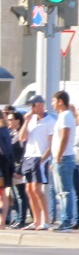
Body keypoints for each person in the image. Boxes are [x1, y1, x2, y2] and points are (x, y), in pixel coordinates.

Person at [20, 95, 55, 230]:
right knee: (29, 189)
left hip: (40, 157)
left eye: (33, 105)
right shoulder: (31, 119)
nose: (31, 108)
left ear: (40, 105)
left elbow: (52, 144)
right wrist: (26, 121)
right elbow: (22, 138)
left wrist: (43, 159)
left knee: (37, 189)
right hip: (28, 156)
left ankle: (46, 219)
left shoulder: (50, 121)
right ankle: (36, 220)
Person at [51, 91, 77, 231]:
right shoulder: (62, 116)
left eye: (54, 100)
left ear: (60, 101)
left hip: (64, 157)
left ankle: (66, 221)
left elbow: (64, 137)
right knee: (60, 192)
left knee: (65, 191)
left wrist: (59, 155)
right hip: (59, 157)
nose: (52, 103)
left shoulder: (66, 115)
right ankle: (64, 219)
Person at [4, 108, 29, 227]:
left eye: (11, 119)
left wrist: (20, 170)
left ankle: (21, 220)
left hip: (19, 168)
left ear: (18, 120)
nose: (8, 121)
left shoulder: (21, 133)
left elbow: (24, 152)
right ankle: (17, 218)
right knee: (14, 196)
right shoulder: (11, 133)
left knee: (21, 196)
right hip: (12, 168)